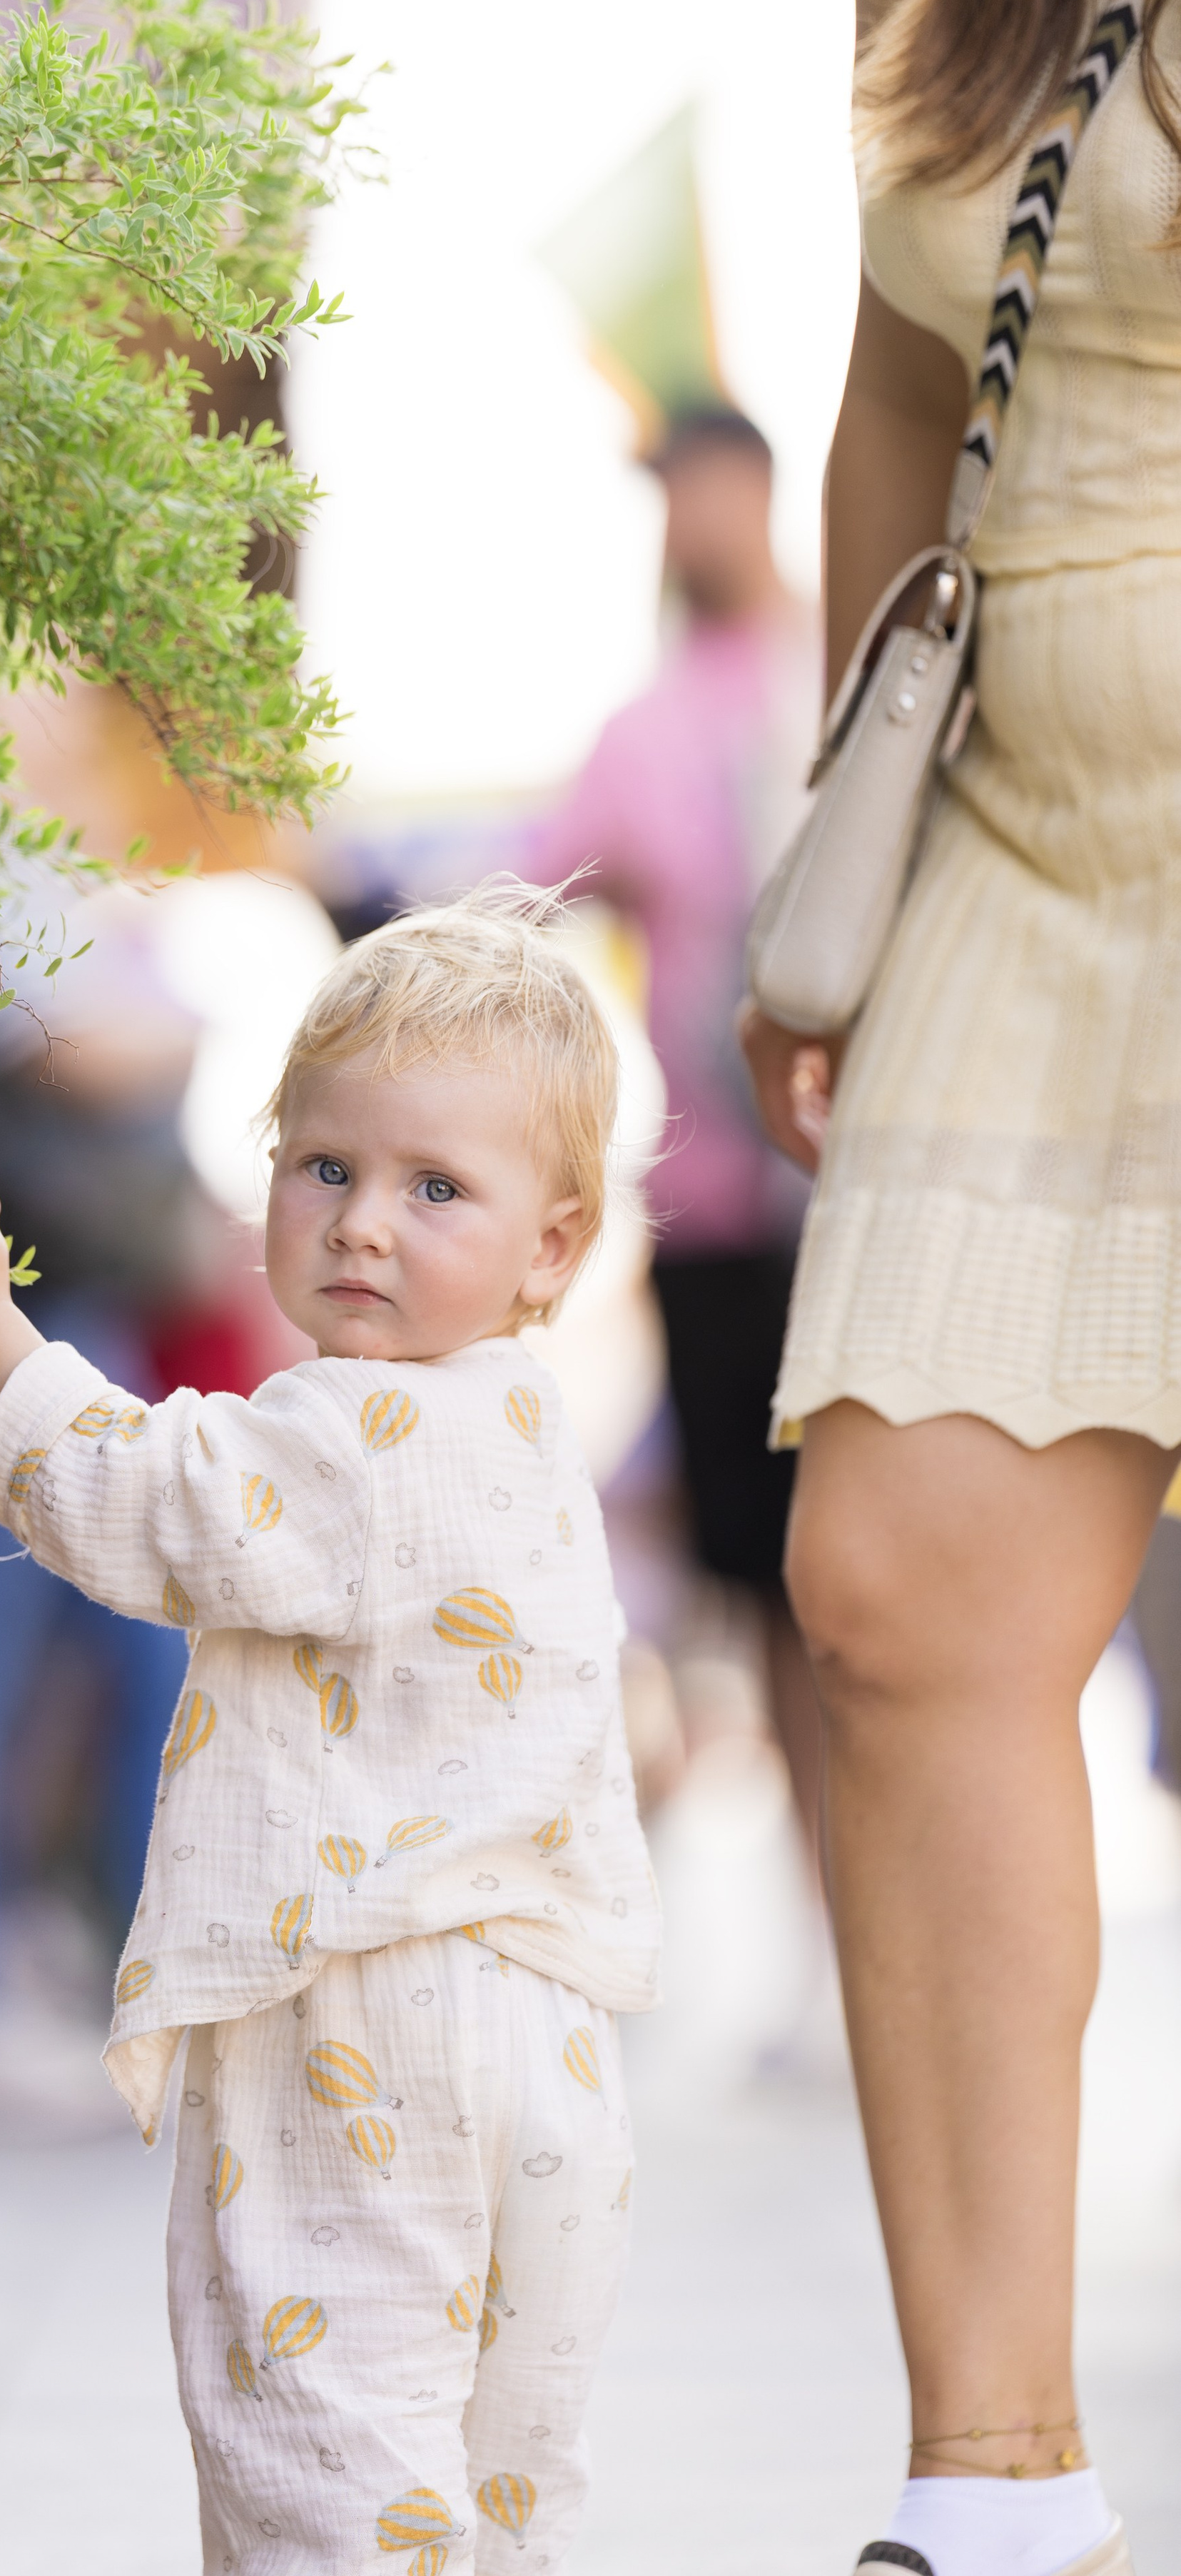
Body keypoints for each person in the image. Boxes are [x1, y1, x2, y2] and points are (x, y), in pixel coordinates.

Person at [0, 889, 657, 2571]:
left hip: (363, 2026)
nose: (363, 1223)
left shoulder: (351, 1428)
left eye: (433, 1187)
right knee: (499, 2466)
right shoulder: (519, 1420)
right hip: (551, 2046)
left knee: (318, 2445)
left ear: (552, 1246)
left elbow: (156, 1501)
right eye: (326, 1168)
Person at [736, 0, 1181, 2575]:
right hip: (1026, 812)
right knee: (898, 1575)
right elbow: (906, 382)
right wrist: (843, 851)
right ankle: (993, 2486)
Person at [529, 405, 824, 1867]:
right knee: (751, 1576)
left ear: (751, 490)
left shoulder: (841, 678)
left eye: (693, 492)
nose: (678, 525)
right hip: (714, 1209)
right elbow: (522, 890)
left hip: (852, 1202)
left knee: (856, 1579)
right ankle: (808, 1935)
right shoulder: (637, 732)